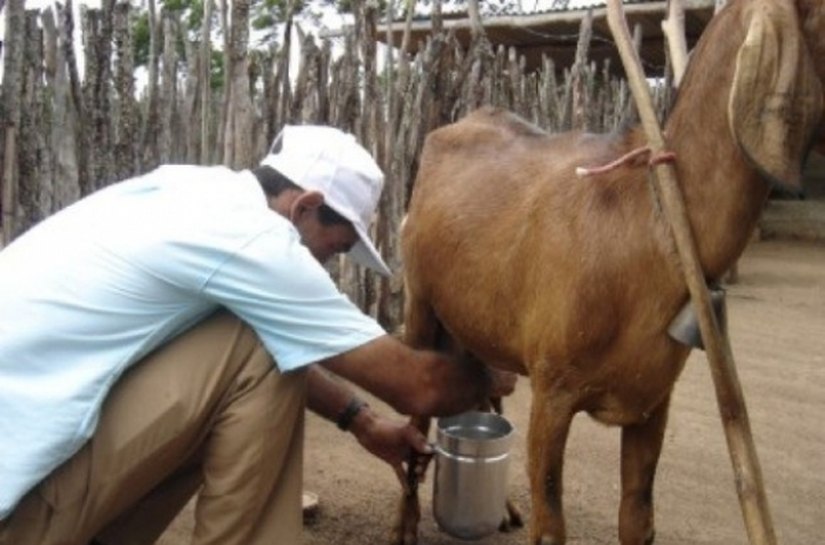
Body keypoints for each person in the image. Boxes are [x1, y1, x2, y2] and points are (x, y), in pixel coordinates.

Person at [0, 125, 515, 545]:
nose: (325, 263)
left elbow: (232, 365)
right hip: (20, 504)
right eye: (331, 249)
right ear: (305, 206)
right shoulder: (255, 241)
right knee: (259, 343)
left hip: (25, 473)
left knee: (253, 335)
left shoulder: (194, 190)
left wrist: (360, 422)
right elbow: (418, 386)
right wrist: (492, 371)